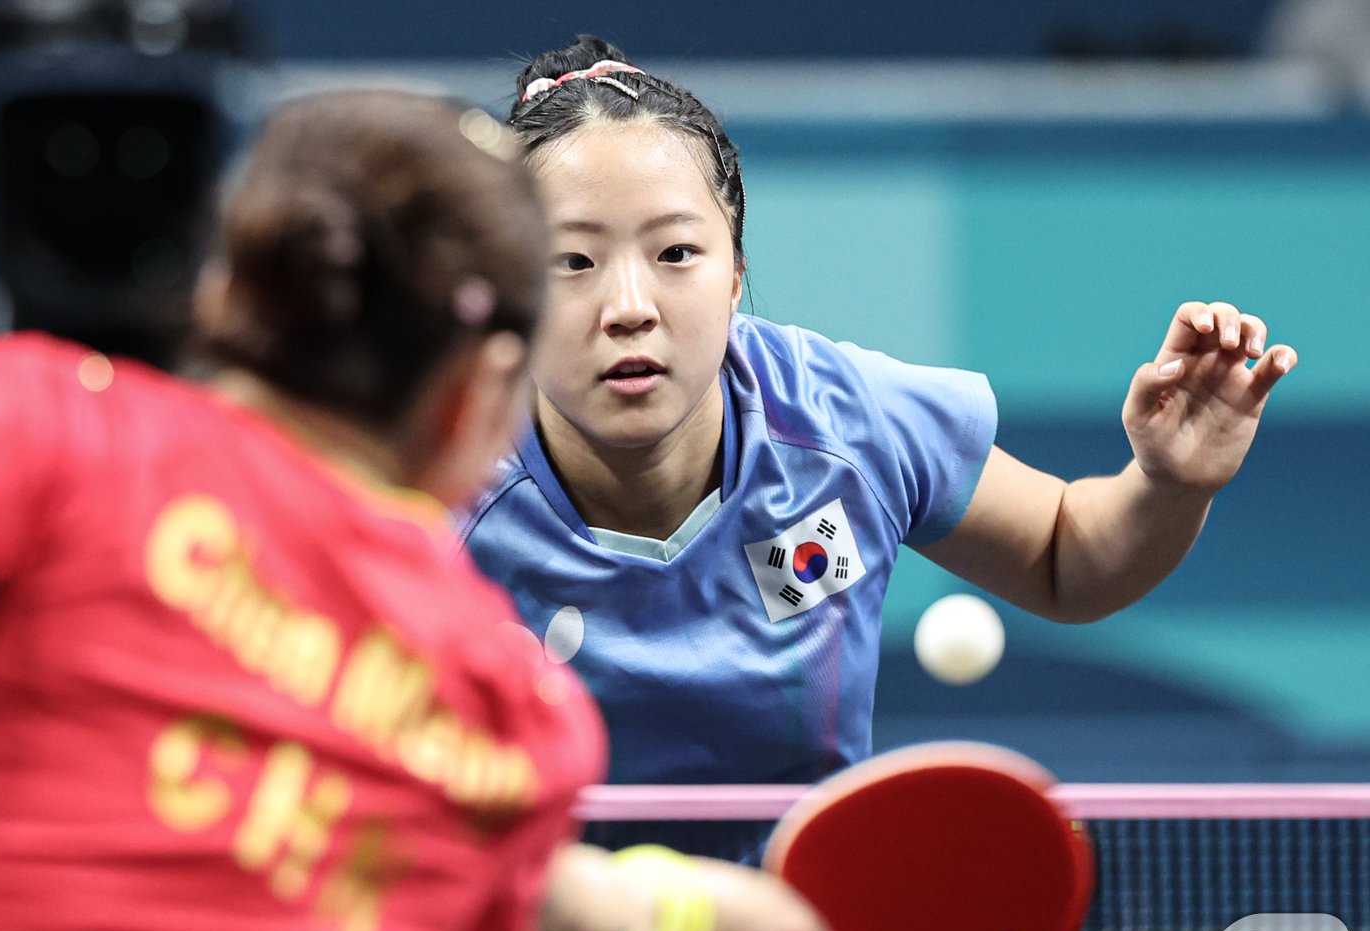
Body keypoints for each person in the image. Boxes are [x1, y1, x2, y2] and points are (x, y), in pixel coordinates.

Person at [0, 89, 896, 931]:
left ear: (223, 300)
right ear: (476, 394)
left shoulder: (46, 429)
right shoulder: (504, 706)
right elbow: (517, 911)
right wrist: (673, 923)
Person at [461, 36, 1300, 797]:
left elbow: (1064, 558)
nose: (630, 306)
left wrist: (1168, 483)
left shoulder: (844, 424)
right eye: (571, 260)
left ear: (737, 274)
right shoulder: (435, 482)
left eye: (676, 252)